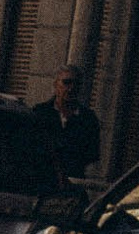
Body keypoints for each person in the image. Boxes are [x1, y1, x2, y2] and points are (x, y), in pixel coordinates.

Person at [36, 59, 102, 187]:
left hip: (73, 183)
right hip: (42, 181)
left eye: (76, 84)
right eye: (66, 83)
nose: (71, 88)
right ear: (56, 85)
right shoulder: (40, 113)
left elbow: (91, 154)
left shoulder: (88, 119)